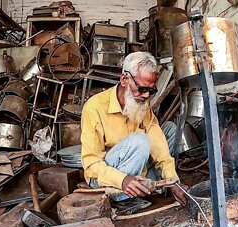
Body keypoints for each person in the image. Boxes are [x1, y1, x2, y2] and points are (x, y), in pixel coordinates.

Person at [80, 52, 187, 213]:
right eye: (142, 89)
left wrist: (173, 180)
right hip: (105, 179)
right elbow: (91, 165)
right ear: (125, 80)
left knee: (170, 130)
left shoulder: (143, 105)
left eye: (150, 91)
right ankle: (122, 198)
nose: (145, 96)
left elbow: (159, 145)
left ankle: (152, 185)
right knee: (140, 139)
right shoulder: (94, 107)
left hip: (135, 167)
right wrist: (122, 180)